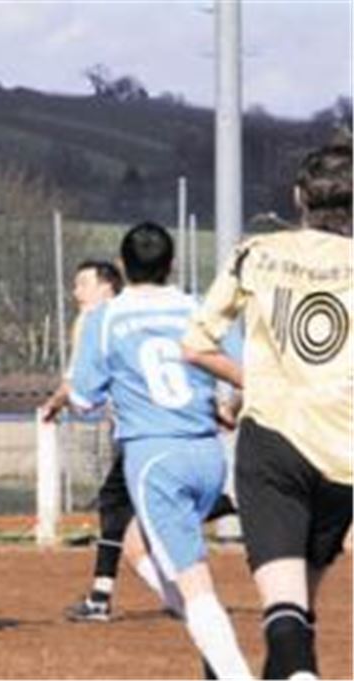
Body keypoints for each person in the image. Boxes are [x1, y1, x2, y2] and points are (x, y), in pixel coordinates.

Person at [181, 137, 352, 679]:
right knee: (300, 609)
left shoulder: (255, 252)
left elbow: (196, 344)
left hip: (272, 443)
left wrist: (250, 382)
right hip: (343, 452)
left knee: (285, 610)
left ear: (299, 196)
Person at [68, 222, 252, 678]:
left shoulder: (105, 317)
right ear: (172, 265)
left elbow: (84, 397)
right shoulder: (196, 308)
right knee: (134, 544)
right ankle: (209, 638)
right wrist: (228, 405)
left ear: (122, 266)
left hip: (154, 460)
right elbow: (246, 371)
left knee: (196, 584)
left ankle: (229, 667)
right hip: (209, 455)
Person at [41, 260, 128, 621]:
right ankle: (100, 596)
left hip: (141, 431)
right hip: (177, 425)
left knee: (117, 506)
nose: (76, 292)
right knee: (129, 508)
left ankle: (100, 599)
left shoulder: (94, 320)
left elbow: (77, 384)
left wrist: (53, 404)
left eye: (83, 284)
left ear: (106, 287)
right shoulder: (139, 312)